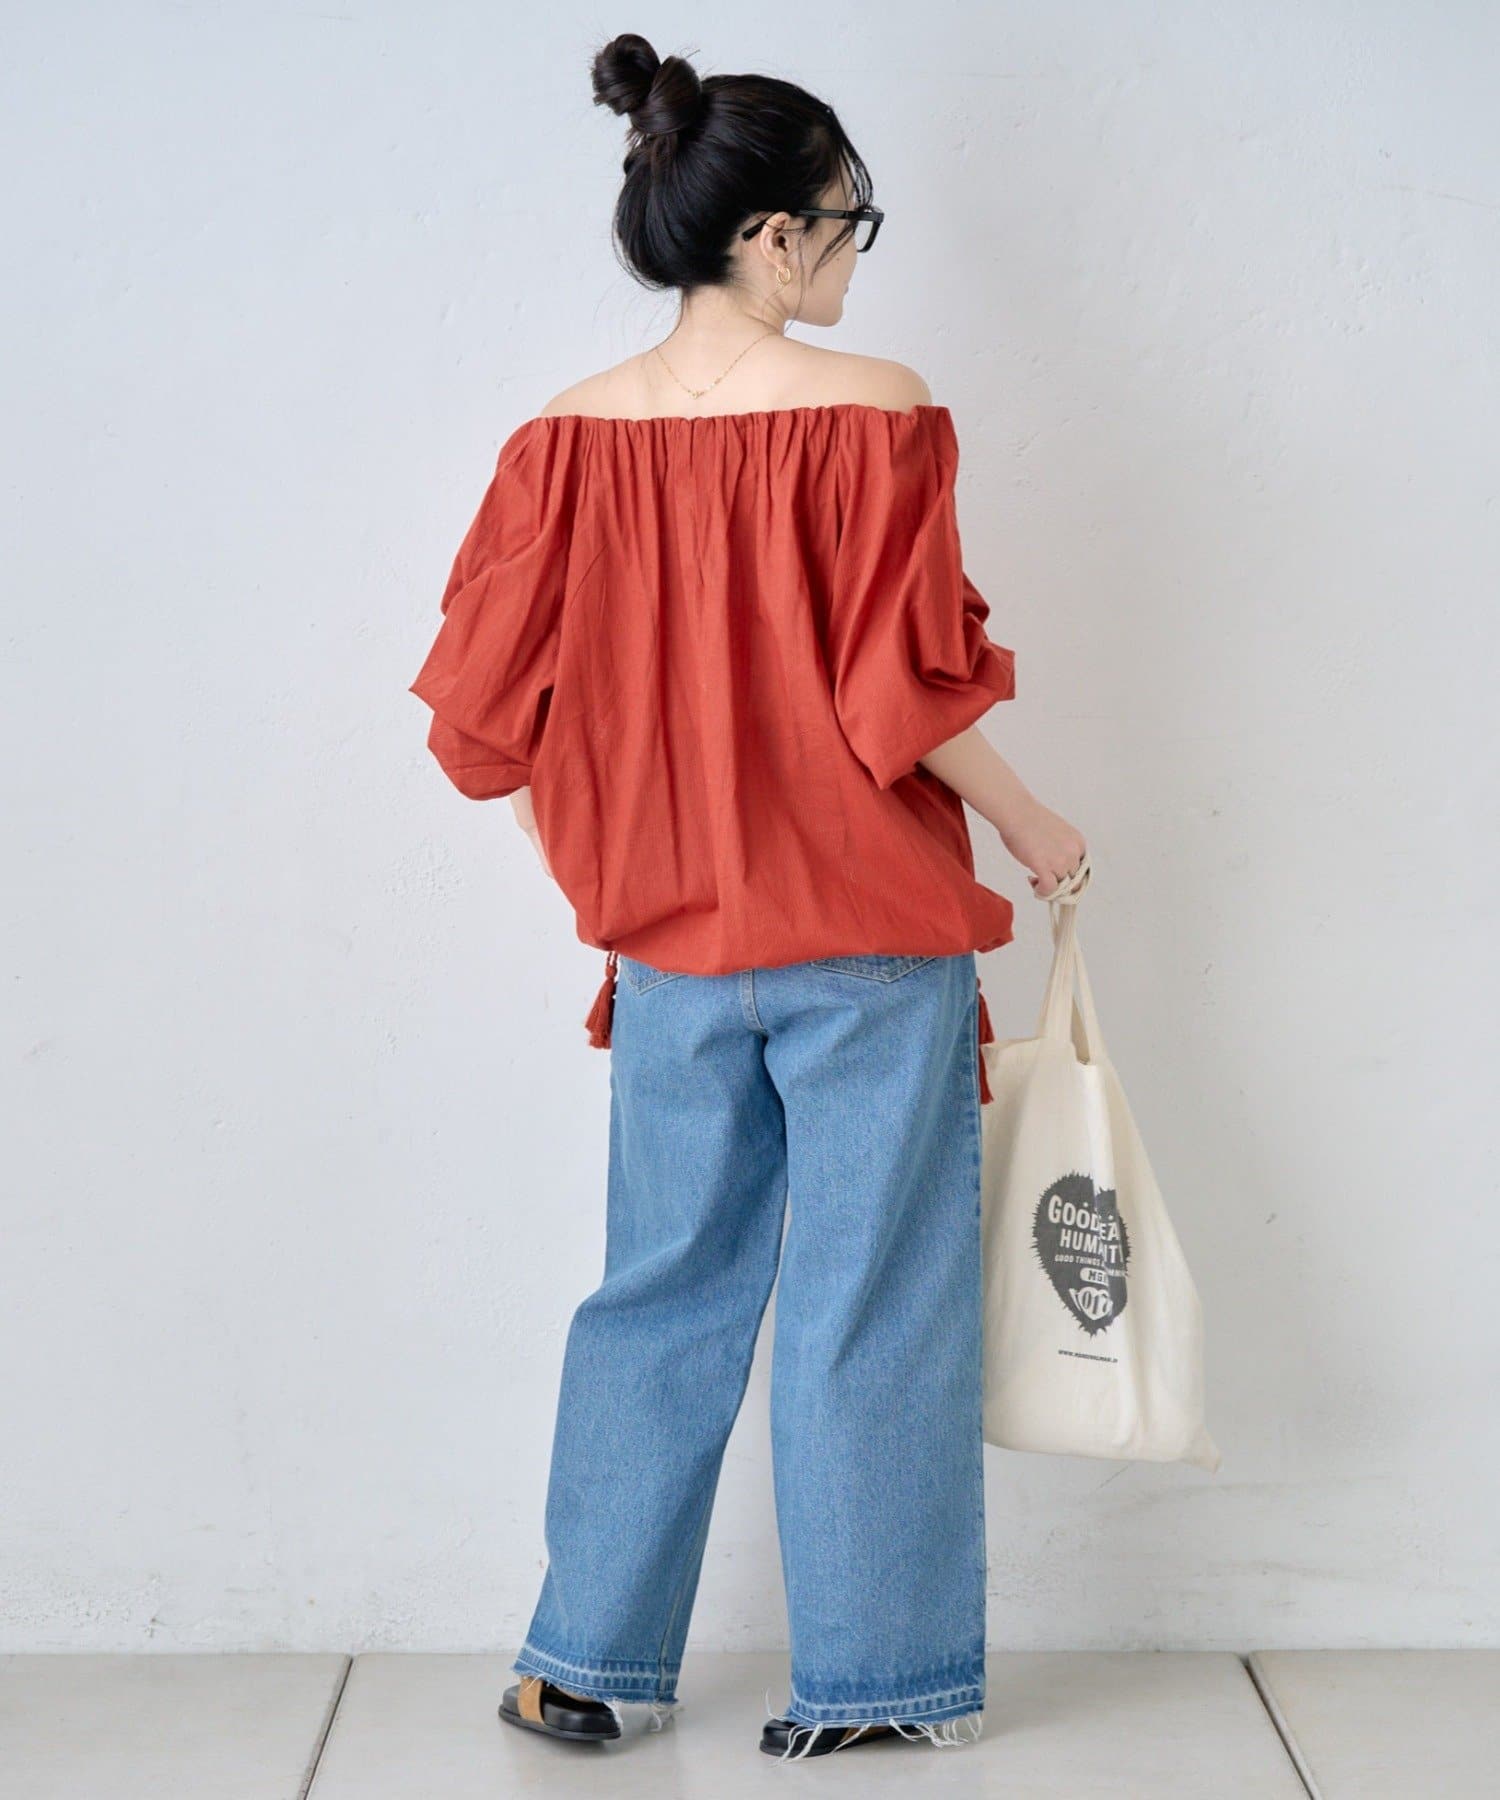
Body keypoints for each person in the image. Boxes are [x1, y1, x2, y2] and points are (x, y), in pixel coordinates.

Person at [408, 32, 1088, 1763]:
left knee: (658, 1293)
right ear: (775, 237)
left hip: (672, 956)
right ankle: (873, 1686)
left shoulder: (558, 445)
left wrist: (613, 861)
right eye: (851, 223)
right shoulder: (877, 413)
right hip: (869, 941)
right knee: (874, 1305)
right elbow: (901, 695)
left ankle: (583, 1665)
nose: (857, 256)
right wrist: (1033, 826)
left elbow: (481, 727)